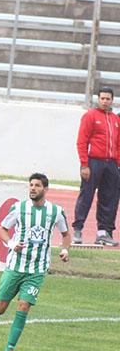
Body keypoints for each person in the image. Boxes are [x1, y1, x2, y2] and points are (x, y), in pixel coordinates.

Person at [0, 173, 71, 351]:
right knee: (1, 307)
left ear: (45, 189)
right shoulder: (19, 208)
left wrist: (65, 249)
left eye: (37, 185)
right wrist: (11, 244)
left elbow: (66, 234)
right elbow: (2, 229)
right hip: (15, 266)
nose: (33, 188)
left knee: (24, 305)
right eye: (31, 185)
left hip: (37, 270)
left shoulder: (55, 211)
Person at [74, 86, 120, 246]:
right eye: (102, 99)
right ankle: (78, 230)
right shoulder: (90, 116)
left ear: (112, 100)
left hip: (111, 164)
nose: (105, 102)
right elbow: (82, 141)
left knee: (109, 198)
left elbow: (118, 144)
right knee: (86, 195)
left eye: (108, 99)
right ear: (98, 99)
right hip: (94, 162)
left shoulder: (115, 119)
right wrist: (84, 165)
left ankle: (103, 232)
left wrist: (118, 164)